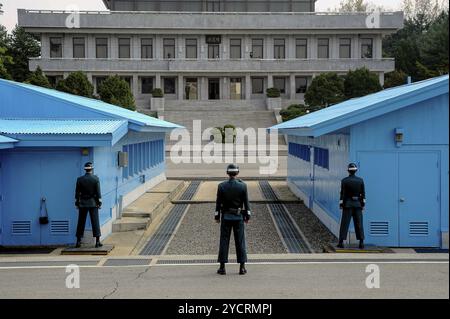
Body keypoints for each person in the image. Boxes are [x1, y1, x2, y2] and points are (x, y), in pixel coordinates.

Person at [215, 164, 251, 275]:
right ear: (237, 173)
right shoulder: (243, 186)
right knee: (240, 241)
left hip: (226, 217)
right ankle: (242, 267)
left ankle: (222, 267)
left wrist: (217, 216)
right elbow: (246, 203)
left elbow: (218, 203)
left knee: (224, 240)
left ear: (227, 173)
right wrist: (247, 216)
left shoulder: (221, 186)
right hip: (238, 217)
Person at [338, 163, 366, 249]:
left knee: (345, 223)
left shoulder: (344, 180)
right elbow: (363, 194)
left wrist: (341, 204)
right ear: (356, 171)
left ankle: (341, 242)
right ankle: (361, 242)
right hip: (357, 204)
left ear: (348, 171)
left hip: (348, 204)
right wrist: (363, 204)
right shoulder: (360, 180)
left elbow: (343, 194)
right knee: (359, 223)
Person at [75, 162, 103, 248]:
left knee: (81, 222)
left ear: (85, 169)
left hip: (82, 203)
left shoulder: (79, 179)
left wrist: (77, 203)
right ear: (92, 169)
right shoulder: (95, 179)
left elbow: (77, 193)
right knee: (95, 222)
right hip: (93, 203)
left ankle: (78, 241)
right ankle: (97, 242)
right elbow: (98, 193)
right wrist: (99, 203)